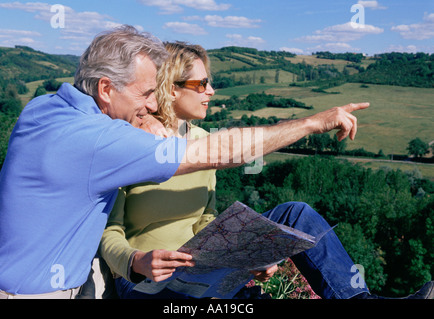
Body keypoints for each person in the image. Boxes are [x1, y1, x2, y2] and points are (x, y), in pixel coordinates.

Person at [0, 24, 373, 299]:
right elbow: (223, 152)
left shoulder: (43, 109)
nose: (152, 105)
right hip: (41, 293)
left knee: (294, 214)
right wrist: (313, 122)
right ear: (106, 88)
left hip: (72, 285)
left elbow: (207, 214)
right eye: (146, 94)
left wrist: (249, 251)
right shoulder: (107, 142)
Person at [98, 42, 433, 300]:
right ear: (171, 88)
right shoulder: (131, 145)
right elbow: (107, 232)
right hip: (147, 285)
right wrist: (138, 261)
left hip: (201, 272)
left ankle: (359, 298)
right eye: (201, 85)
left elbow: (205, 221)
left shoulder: (203, 143)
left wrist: (250, 252)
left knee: (296, 213)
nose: (211, 92)